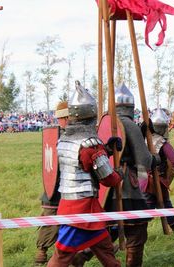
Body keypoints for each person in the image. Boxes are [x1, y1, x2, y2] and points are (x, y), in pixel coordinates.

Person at [47, 81, 122, 267]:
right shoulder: (90, 145)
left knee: (106, 251)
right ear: (91, 115)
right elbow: (107, 179)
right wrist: (119, 173)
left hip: (72, 205)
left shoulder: (64, 140)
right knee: (62, 256)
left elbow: (82, 162)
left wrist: (106, 149)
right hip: (82, 210)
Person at [105, 83, 154, 267]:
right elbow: (144, 161)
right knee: (137, 233)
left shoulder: (105, 123)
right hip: (127, 187)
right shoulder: (128, 124)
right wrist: (155, 159)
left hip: (106, 188)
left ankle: (82, 255)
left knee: (104, 232)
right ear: (130, 108)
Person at [34, 101, 69, 266]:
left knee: (51, 220)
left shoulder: (54, 134)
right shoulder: (64, 136)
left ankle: (44, 252)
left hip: (53, 189)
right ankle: (44, 252)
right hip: (61, 188)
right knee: (53, 220)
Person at [145, 108, 174, 233]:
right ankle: (123, 230)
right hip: (156, 181)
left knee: (163, 205)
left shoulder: (144, 140)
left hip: (142, 178)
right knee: (148, 210)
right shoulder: (162, 143)